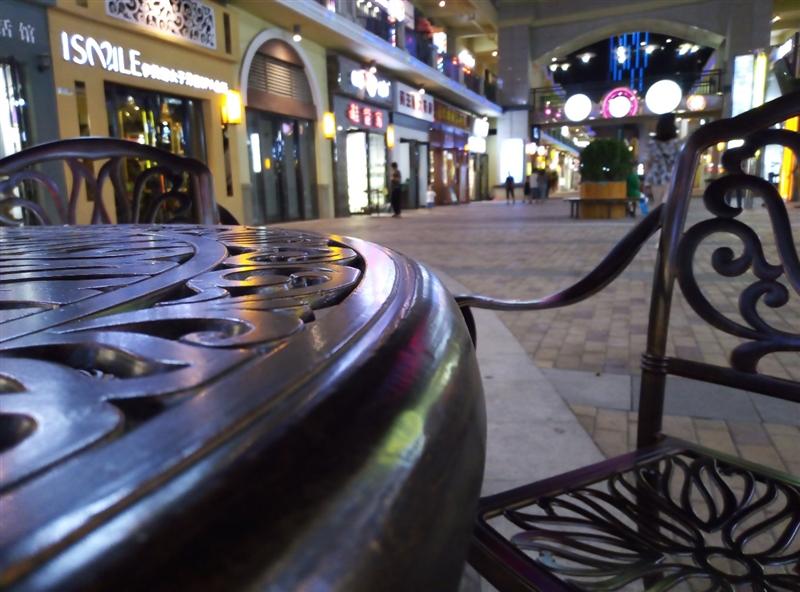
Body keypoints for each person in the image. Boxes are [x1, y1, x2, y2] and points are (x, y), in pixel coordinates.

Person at [645, 113, 681, 205]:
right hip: (673, 178)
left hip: (656, 179)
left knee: (658, 205)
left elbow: (648, 163)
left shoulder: (652, 144)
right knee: (670, 205)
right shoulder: (677, 144)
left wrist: (646, 182)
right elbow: (680, 163)